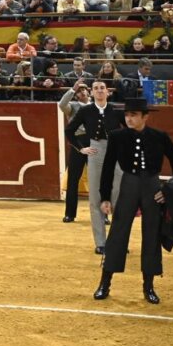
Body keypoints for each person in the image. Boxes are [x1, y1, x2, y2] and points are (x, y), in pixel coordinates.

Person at [94, 98, 173, 304]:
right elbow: (108, 168)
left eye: (133, 115)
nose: (129, 118)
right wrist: (105, 197)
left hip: (152, 188)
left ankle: (149, 287)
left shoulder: (160, 137)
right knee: (117, 232)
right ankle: (104, 284)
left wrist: (168, 190)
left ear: (145, 116)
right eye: (127, 115)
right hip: (128, 185)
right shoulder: (117, 137)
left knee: (152, 234)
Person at [62, 80, 124, 253]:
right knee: (95, 197)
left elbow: (130, 130)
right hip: (95, 151)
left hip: (115, 151)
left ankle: (117, 241)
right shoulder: (85, 110)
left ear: (108, 92)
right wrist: (81, 148)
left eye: (102, 88)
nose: (99, 91)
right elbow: (69, 130)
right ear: (92, 92)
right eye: (96, 88)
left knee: (118, 196)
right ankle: (101, 243)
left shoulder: (115, 110)